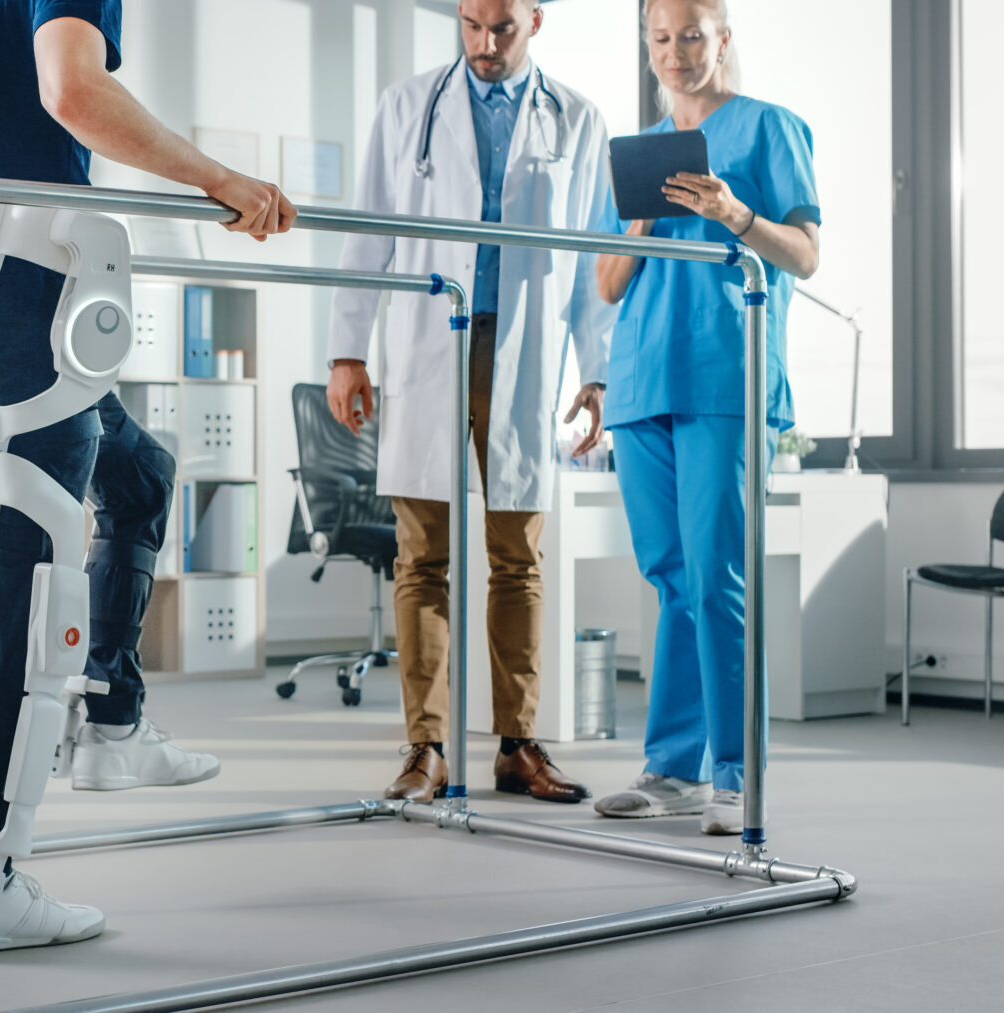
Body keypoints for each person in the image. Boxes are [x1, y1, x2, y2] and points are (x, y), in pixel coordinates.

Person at [0, 0, 297, 951]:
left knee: (138, 475)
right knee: (30, 585)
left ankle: (115, 725)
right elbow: (73, 91)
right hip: (16, 304)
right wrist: (224, 182)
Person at [327, 0, 613, 804]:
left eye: (502, 29)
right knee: (422, 558)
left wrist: (597, 373)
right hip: (427, 341)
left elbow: (596, 255)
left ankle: (517, 744)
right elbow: (366, 230)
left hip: (524, 351)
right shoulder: (406, 106)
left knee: (516, 558)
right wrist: (347, 349)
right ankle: (426, 748)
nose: (484, 45)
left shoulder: (579, 120)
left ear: (536, 19)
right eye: (471, 26)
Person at [590, 0, 819, 836]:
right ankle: (670, 769)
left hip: (723, 373)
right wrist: (642, 219)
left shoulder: (769, 129)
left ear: (722, 37)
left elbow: (803, 254)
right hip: (640, 383)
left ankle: (736, 773)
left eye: (691, 35)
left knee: (718, 574)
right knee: (671, 578)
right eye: (660, 38)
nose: (675, 52)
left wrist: (735, 216)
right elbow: (608, 283)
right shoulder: (633, 154)